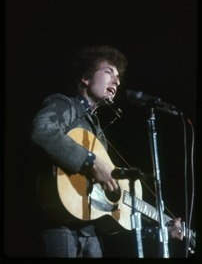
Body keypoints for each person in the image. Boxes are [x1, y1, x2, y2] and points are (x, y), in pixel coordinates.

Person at [31, 45, 184, 258]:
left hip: (92, 234)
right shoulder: (65, 105)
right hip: (59, 227)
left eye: (118, 76)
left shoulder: (97, 131)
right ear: (85, 77)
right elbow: (42, 132)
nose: (117, 81)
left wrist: (162, 227)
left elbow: (118, 205)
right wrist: (90, 162)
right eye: (108, 72)